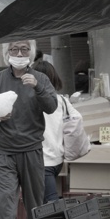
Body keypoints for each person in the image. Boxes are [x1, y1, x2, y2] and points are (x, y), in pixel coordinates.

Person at [0, 38, 58, 219]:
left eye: (24, 49)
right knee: (5, 201)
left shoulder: (40, 78)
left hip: (32, 149)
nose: (20, 54)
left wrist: (37, 87)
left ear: (31, 53)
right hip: (5, 151)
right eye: (14, 49)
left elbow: (51, 107)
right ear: (7, 53)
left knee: (34, 205)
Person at [33, 60, 85, 203]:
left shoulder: (30, 100)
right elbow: (77, 118)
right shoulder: (61, 100)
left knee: (51, 202)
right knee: (44, 200)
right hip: (57, 158)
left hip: (42, 158)